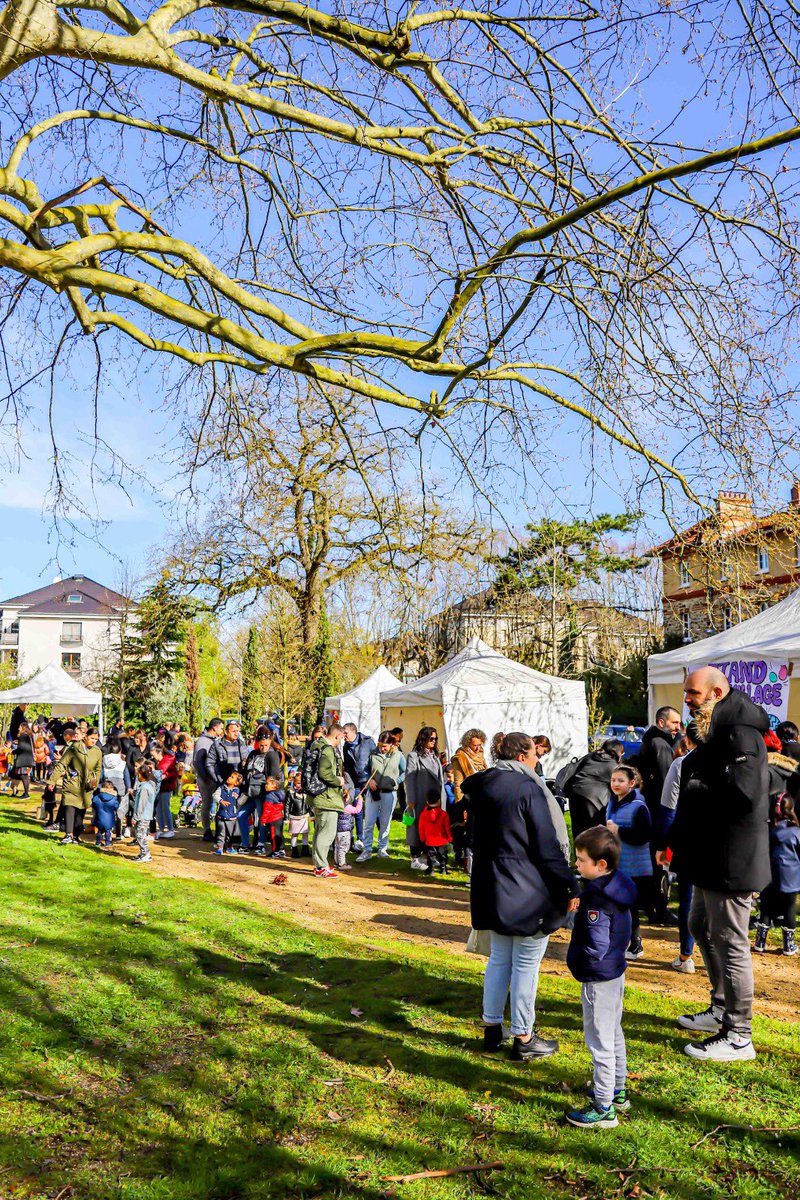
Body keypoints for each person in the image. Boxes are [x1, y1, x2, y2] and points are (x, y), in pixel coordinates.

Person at [664, 666, 769, 1062]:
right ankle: (721, 1007)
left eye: (692, 693)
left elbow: (746, 795)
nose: (687, 700)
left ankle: (739, 1034)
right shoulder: (715, 729)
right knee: (698, 926)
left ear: (717, 692)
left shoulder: (740, 731)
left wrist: (696, 788)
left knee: (731, 941)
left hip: (732, 858)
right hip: (709, 854)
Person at [465, 731, 575, 1061]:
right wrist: (570, 884)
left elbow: (471, 838)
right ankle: (524, 1037)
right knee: (525, 965)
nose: (539, 760)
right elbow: (547, 845)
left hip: (491, 885)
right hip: (526, 890)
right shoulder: (528, 788)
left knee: (499, 958)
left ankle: (491, 1028)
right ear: (523, 757)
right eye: (535, 754)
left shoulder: (481, 785)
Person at [565, 825, 637, 1129]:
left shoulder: (596, 900)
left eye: (581, 860)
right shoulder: (616, 886)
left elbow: (596, 943)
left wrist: (583, 959)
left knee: (600, 1040)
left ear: (601, 865)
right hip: (614, 971)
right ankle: (617, 1090)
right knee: (613, 1031)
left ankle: (604, 1107)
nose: (577, 865)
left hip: (599, 977)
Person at [655, 726, 699, 973]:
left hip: (690, 840)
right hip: (722, 843)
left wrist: (662, 845)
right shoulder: (733, 761)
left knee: (689, 900)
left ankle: (686, 956)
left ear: (688, 740)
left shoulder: (681, 764)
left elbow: (668, 809)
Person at [637, 706, 681, 923]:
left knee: (653, 861)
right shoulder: (660, 744)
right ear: (662, 723)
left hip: (651, 808)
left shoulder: (655, 741)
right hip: (658, 811)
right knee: (659, 861)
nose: (678, 728)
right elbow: (668, 783)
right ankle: (659, 908)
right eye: (675, 723)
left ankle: (651, 904)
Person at [606, 765, 651, 962]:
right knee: (619, 904)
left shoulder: (639, 806)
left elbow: (644, 835)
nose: (615, 784)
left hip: (634, 866)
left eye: (620, 781)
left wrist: (619, 831)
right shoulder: (613, 803)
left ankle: (636, 943)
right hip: (618, 862)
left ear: (631, 783)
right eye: (613, 780)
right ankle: (621, 941)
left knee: (628, 906)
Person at [754, 795, 800, 956]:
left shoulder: (769, 829)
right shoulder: (796, 831)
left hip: (769, 876)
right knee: (789, 909)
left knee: (766, 909)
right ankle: (789, 945)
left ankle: (760, 942)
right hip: (791, 878)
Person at [562, 740, 625, 843]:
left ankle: (580, 855)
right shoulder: (612, 765)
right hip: (593, 801)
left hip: (575, 795)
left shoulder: (590, 756)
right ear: (616, 752)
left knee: (579, 833)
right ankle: (593, 856)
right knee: (594, 833)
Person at [356, 731, 405, 862]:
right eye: (380, 745)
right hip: (373, 792)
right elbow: (364, 770)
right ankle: (366, 850)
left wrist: (396, 781)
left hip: (389, 793)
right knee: (369, 822)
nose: (382, 748)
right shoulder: (372, 754)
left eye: (385, 746)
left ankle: (382, 849)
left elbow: (405, 771)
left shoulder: (398, 755)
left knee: (385, 823)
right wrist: (369, 780)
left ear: (392, 744)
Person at [50, 727, 103, 845]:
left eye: (96, 739)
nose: (94, 741)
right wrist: (52, 780)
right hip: (72, 783)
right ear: (86, 737)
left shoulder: (97, 752)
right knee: (69, 806)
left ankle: (76, 835)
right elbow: (62, 764)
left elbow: (98, 769)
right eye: (92, 738)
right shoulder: (74, 747)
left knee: (80, 810)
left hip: (86, 787)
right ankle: (68, 834)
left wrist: (95, 782)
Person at [404, 727, 447, 870]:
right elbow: (409, 779)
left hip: (435, 800)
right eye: (431, 738)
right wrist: (411, 800)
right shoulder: (413, 756)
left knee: (433, 829)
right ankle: (415, 858)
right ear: (423, 739)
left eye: (435, 739)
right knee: (417, 828)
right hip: (420, 798)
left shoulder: (434, 756)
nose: (433, 741)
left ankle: (429, 856)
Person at [311, 724, 346, 879]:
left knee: (320, 831)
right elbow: (324, 772)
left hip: (319, 796)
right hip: (327, 798)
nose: (342, 741)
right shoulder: (327, 749)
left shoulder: (317, 746)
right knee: (327, 833)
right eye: (342, 738)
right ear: (337, 736)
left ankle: (319, 864)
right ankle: (321, 866)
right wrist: (338, 781)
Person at [239, 728, 281, 853]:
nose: (263, 748)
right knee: (241, 815)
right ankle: (245, 843)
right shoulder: (253, 754)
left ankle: (261, 844)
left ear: (270, 742)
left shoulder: (272, 755)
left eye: (266, 745)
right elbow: (246, 770)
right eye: (261, 745)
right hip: (250, 791)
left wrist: (269, 793)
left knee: (262, 818)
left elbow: (273, 777)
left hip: (263, 792)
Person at [342, 723, 377, 852]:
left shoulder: (367, 742)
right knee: (357, 810)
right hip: (355, 783)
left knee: (374, 811)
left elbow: (376, 759)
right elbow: (348, 767)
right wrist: (347, 786)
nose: (343, 735)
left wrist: (374, 778)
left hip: (369, 781)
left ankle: (382, 841)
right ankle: (360, 839)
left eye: (345, 733)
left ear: (353, 732)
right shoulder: (346, 745)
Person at [193, 717, 224, 842]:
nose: (222, 730)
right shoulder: (202, 741)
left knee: (216, 803)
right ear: (214, 727)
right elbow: (197, 761)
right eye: (221, 728)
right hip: (206, 779)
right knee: (207, 804)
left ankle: (218, 830)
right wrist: (204, 777)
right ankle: (206, 830)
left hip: (214, 778)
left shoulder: (214, 740)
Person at [418, 787, 452, 876]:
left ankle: (431, 870)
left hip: (429, 840)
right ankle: (443, 869)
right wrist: (449, 837)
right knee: (443, 855)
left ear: (427, 802)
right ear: (439, 801)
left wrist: (422, 838)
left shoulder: (423, 814)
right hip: (442, 840)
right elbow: (447, 828)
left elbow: (421, 828)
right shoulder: (444, 814)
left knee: (431, 856)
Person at [131, 761, 157, 864]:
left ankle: (146, 854)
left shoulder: (144, 788)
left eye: (138, 774)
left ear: (142, 775)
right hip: (145, 816)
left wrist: (135, 817)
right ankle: (143, 853)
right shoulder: (148, 786)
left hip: (142, 816)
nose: (137, 776)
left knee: (140, 835)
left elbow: (141, 804)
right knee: (140, 834)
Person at [155, 736, 179, 840]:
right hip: (159, 787)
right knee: (158, 808)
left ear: (159, 752)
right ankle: (161, 828)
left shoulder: (168, 760)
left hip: (166, 787)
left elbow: (174, 773)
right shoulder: (158, 762)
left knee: (165, 807)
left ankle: (170, 829)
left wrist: (166, 776)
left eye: (153, 753)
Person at [257, 775, 287, 858]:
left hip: (273, 819)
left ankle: (275, 851)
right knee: (279, 834)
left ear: (274, 786)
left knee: (273, 836)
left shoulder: (269, 796)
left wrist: (263, 820)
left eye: (268, 784)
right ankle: (281, 850)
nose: (266, 785)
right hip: (279, 817)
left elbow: (267, 810)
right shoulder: (281, 794)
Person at [333, 789, 363, 871]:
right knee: (343, 848)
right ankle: (342, 864)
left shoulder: (336, 806)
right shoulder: (348, 807)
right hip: (345, 832)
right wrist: (360, 800)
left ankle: (337, 862)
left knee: (337, 847)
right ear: (347, 798)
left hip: (337, 831)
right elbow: (357, 810)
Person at [215, 771, 243, 856]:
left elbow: (239, 802)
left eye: (232, 777)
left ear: (237, 782)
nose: (229, 778)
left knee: (230, 834)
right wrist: (221, 801)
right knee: (221, 832)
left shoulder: (237, 791)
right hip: (221, 814)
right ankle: (219, 847)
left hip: (231, 816)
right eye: (230, 776)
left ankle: (229, 847)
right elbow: (215, 795)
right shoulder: (221, 788)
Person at [285, 775, 311, 858]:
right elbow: (287, 805)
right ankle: (294, 850)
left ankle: (305, 849)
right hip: (294, 816)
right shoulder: (290, 792)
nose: (300, 785)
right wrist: (286, 818)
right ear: (294, 783)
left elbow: (309, 804)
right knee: (294, 834)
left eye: (301, 783)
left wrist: (312, 814)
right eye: (298, 783)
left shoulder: (305, 791)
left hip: (304, 815)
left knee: (305, 833)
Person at [92, 781, 120, 848]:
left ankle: (98, 842)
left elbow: (93, 803)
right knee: (108, 831)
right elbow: (116, 806)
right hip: (109, 818)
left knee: (100, 830)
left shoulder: (97, 797)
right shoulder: (113, 798)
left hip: (99, 816)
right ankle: (108, 842)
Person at [12, 721, 34, 799]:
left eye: (20, 727)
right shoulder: (28, 736)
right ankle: (26, 793)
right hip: (28, 758)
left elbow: (21, 748)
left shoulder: (22, 736)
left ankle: (26, 794)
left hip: (24, 759)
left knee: (23, 776)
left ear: (23, 727)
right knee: (25, 776)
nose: (18, 728)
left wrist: (13, 751)